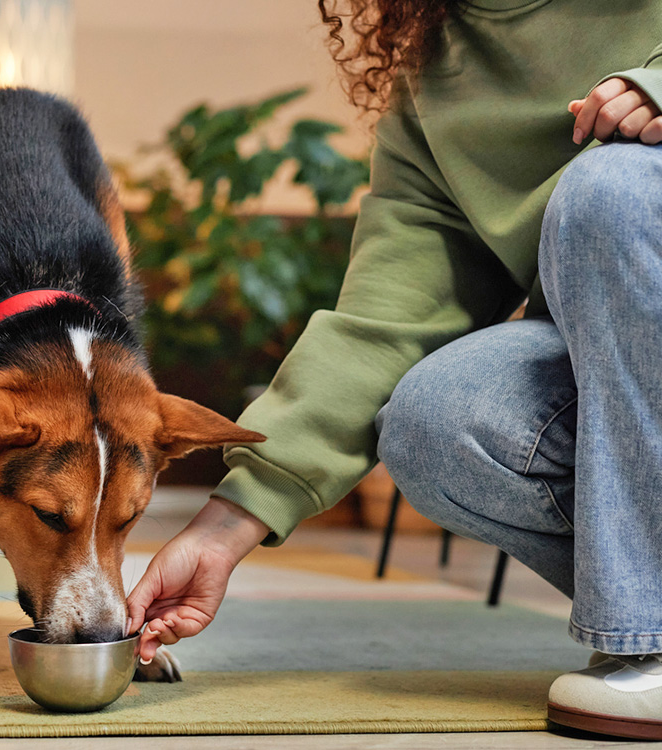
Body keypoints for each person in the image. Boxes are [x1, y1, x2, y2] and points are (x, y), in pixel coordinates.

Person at [126, 0, 662, 739]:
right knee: (435, 423)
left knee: (615, 190)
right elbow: (387, 321)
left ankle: (648, 637)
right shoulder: (436, 72)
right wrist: (222, 529)